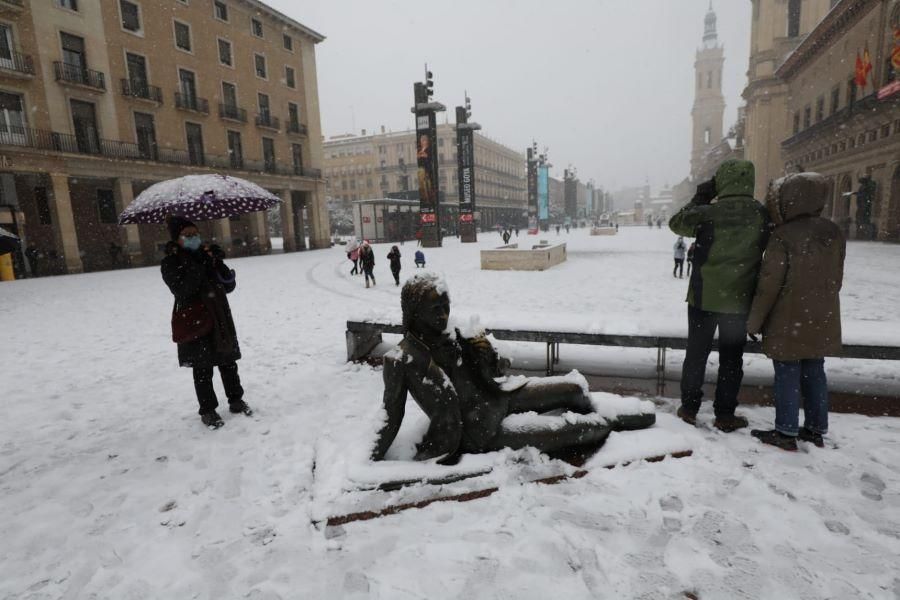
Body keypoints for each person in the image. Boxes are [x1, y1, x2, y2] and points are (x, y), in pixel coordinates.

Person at [668, 159, 769, 432]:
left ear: (721, 181)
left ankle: (689, 408)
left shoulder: (708, 213)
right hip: (738, 300)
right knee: (732, 359)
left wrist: (702, 196)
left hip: (703, 296)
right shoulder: (761, 214)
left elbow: (676, 223)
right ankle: (725, 414)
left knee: (696, 355)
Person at [747, 173, 845, 451]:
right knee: (815, 370)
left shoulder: (783, 236)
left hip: (788, 318)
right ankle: (815, 428)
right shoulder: (833, 232)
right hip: (822, 315)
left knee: (787, 372)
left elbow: (769, 285)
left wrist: (754, 322)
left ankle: (786, 431)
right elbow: (837, 277)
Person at [161, 216, 251, 429]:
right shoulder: (171, 262)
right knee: (202, 368)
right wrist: (199, 265)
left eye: (195, 234)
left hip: (219, 315)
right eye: (187, 235)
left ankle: (236, 399)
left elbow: (229, 286)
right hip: (195, 319)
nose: (193, 238)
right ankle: (208, 410)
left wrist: (217, 262)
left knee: (227, 361)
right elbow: (183, 289)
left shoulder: (207, 255)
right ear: (178, 239)